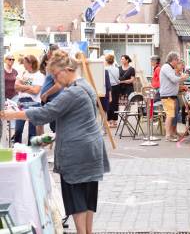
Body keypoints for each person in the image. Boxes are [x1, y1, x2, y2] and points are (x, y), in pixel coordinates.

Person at [0, 50, 110, 234]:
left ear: (67, 69)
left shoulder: (73, 92)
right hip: (93, 150)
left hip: (77, 153)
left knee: (77, 198)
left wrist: (11, 114)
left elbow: (45, 113)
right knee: (88, 197)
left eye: (57, 76)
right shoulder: (86, 86)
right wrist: (58, 134)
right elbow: (83, 119)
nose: (56, 81)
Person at [14, 55, 45, 145]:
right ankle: (17, 148)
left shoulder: (39, 75)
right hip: (21, 103)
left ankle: (32, 150)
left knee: (32, 131)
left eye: (25, 62)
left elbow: (35, 91)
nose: (23, 64)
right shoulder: (23, 73)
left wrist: (22, 87)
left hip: (34, 103)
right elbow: (16, 87)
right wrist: (29, 87)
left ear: (30, 63)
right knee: (18, 129)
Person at [160, 51, 189, 142]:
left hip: (171, 95)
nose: (178, 62)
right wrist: (183, 78)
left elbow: (173, 81)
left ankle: (171, 134)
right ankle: (168, 135)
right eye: (178, 60)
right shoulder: (166, 67)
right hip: (167, 95)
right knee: (170, 115)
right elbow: (173, 79)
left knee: (172, 115)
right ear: (173, 60)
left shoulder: (170, 68)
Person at [40, 44, 63, 133]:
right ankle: (40, 144)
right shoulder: (51, 65)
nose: (48, 54)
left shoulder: (56, 66)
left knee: (55, 127)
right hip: (49, 99)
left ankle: (59, 145)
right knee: (41, 122)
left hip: (52, 99)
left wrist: (46, 94)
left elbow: (58, 85)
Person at [105, 54, 120, 128]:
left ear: (106, 61)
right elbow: (117, 78)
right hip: (116, 87)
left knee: (109, 104)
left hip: (108, 88)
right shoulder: (117, 69)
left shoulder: (105, 69)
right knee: (115, 104)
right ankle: (115, 121)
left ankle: (109, 121)